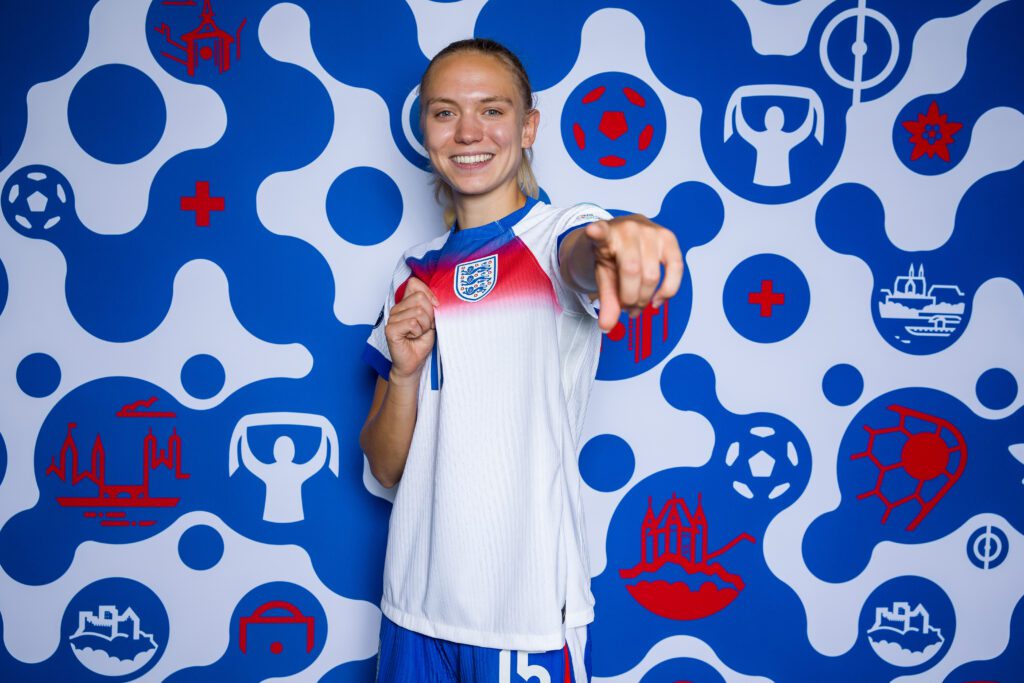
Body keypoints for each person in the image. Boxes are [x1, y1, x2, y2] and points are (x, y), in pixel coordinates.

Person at [359, 38, 683, 682]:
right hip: (412, 606)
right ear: (424, 128)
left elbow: (587, 253)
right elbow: (385, 465)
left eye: (493, 110)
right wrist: (403, 373)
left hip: (522, 613)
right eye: (445, 112)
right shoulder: (413, 271)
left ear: (528, 125)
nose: (469, 132)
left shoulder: (558, 234)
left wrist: (619, 242)